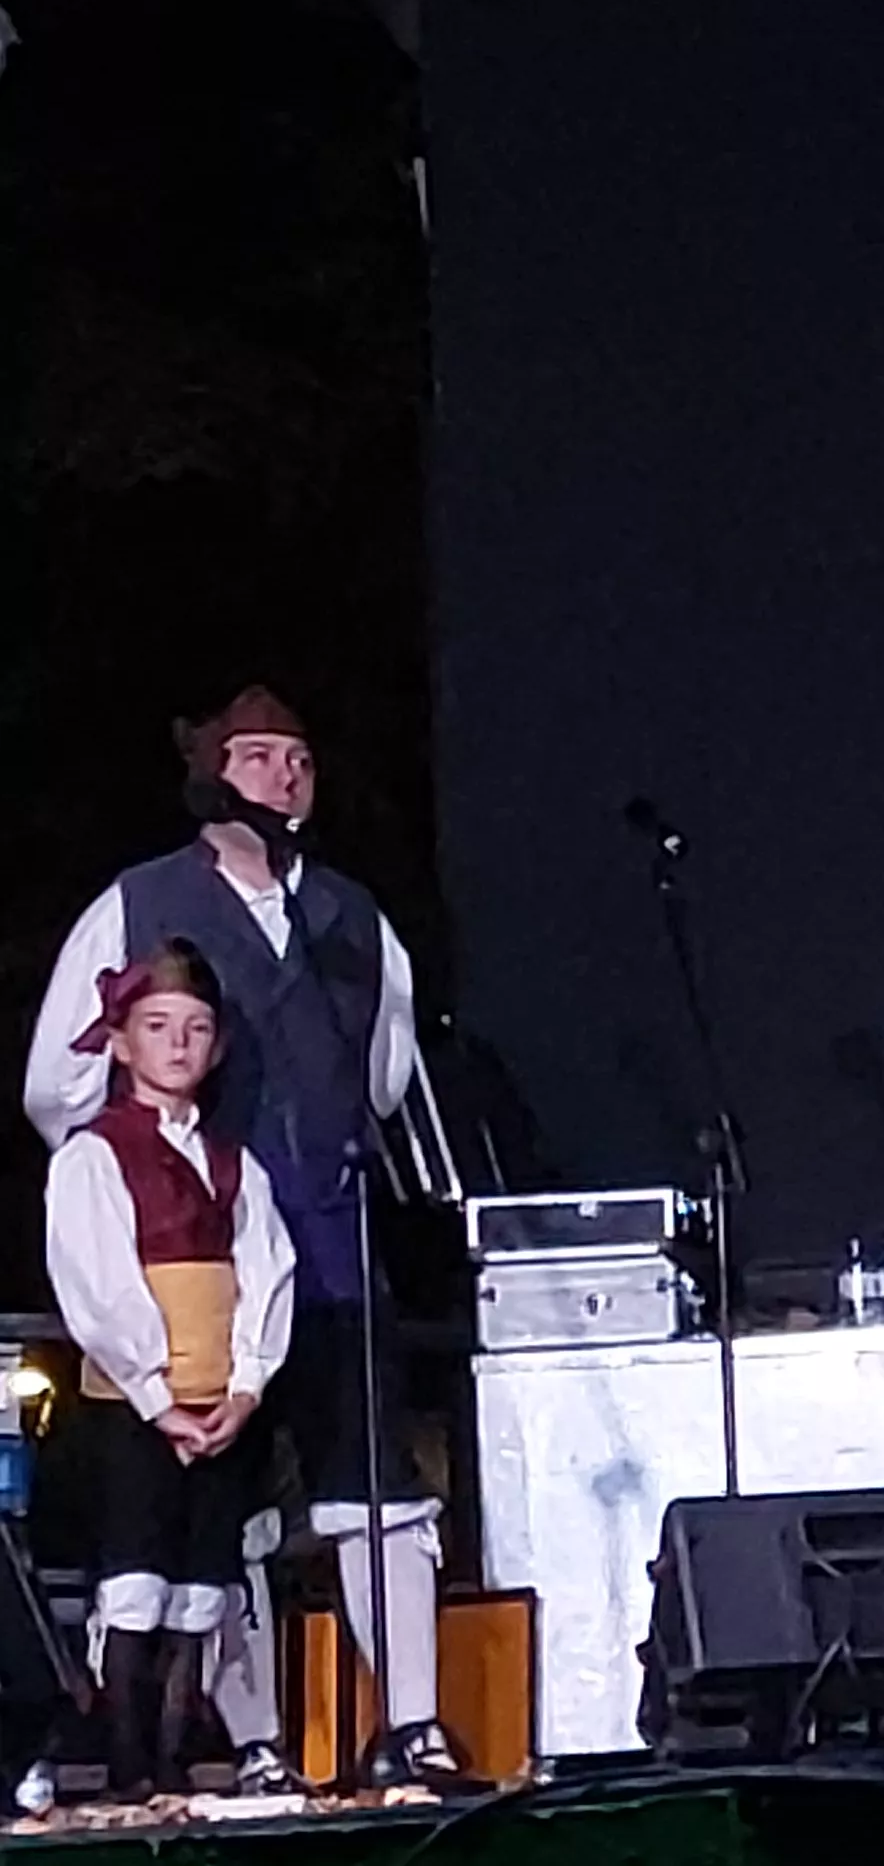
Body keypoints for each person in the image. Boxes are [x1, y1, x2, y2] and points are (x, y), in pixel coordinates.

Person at [24, 687, 445, 1791]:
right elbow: (58, 1082)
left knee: (376, 1488)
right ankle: (252, 1739)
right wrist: (151, 1180)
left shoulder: (353, 915)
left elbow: (388, 1073)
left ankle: (412, 1724)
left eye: (299, 757)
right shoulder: (142, 903)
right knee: (227, 1508)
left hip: (332, 1241)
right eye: (258, 757)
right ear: (212, 772)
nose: (284, 776)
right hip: (200, 1262)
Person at [43, 945, 294, 1806]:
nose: (178, 1046)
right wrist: (156, 1396)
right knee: (136, 1574)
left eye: (195, 1030)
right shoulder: (95, 1157)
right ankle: (125, 1758)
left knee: (201, 1579)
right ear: (121, 1044)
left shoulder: (235, 1165)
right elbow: (99, 1284)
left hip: (219, 1402)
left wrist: (247, 1386)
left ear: (217, 1047)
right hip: (135, 1409)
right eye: (157, 1029)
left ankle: (178, 1745)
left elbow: (266, 1271)